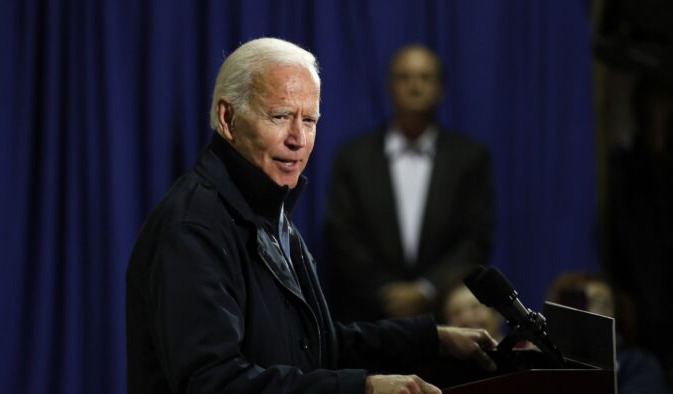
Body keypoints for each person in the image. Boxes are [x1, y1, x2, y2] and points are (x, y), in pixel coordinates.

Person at [126, 37, 498, 394]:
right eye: (281, 115)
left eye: (310, 120)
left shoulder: (269, 212)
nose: (298, 139)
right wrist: (362, 387)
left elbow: (315, 346)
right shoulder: (192, 227)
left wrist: (431, 338)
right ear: (228, 118)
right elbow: (215, 382)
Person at [325, 44, 494, 323]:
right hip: (368, 318)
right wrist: (385, 292)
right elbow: (342, 236)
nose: (414, 85)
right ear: (390, 86)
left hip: (444, 316)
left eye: (425, 77)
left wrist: (426, 289)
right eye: (405, 77)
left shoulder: (470, 157)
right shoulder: (353, 157)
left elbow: (476, 237)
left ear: (440, 88)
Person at [547, 271, 671, 394]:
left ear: (617, 312)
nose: (589, 311)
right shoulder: (551, 361)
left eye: (600, 303)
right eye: (581, 303)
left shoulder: (638, 363)